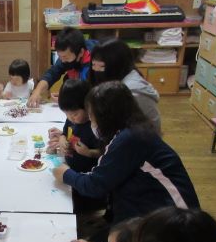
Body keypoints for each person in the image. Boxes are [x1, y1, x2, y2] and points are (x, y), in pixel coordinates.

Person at [52, 81, 199, 227]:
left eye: (92, 118)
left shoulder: (129, 139)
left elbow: (96, 184)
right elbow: (115, 181)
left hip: (177, 225)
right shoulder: (128, 130)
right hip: (150, 210)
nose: (91, 123)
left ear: (106, 117)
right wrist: (109, 218)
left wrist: (65, 174)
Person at [49, 79, 104, 213]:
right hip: (71, 170)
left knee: (77, 207)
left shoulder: (95, 127)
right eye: (66, 114)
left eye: (75, 114)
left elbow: (103, 152)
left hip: (86, 179)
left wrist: (88, 152)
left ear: (88, 107)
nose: (71, 118)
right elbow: (65, 133)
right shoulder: (71, 120)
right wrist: (62, 139)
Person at [89, 38, 161, 132]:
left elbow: (112, 128)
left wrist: (93, 123)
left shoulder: (131, 91)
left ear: (116, 65)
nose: (96, 70)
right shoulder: (119, 77)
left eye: (102, 66)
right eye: (93, 65)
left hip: (138, 136)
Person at [28, 26, 96, 107]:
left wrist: (70, 99)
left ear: (81, 52)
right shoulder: (66, 57)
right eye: (60, 57)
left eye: (65, 57)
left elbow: (96, 94)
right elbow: (52, 73)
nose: (62, 61)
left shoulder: (96, 62)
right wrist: (37, 91)